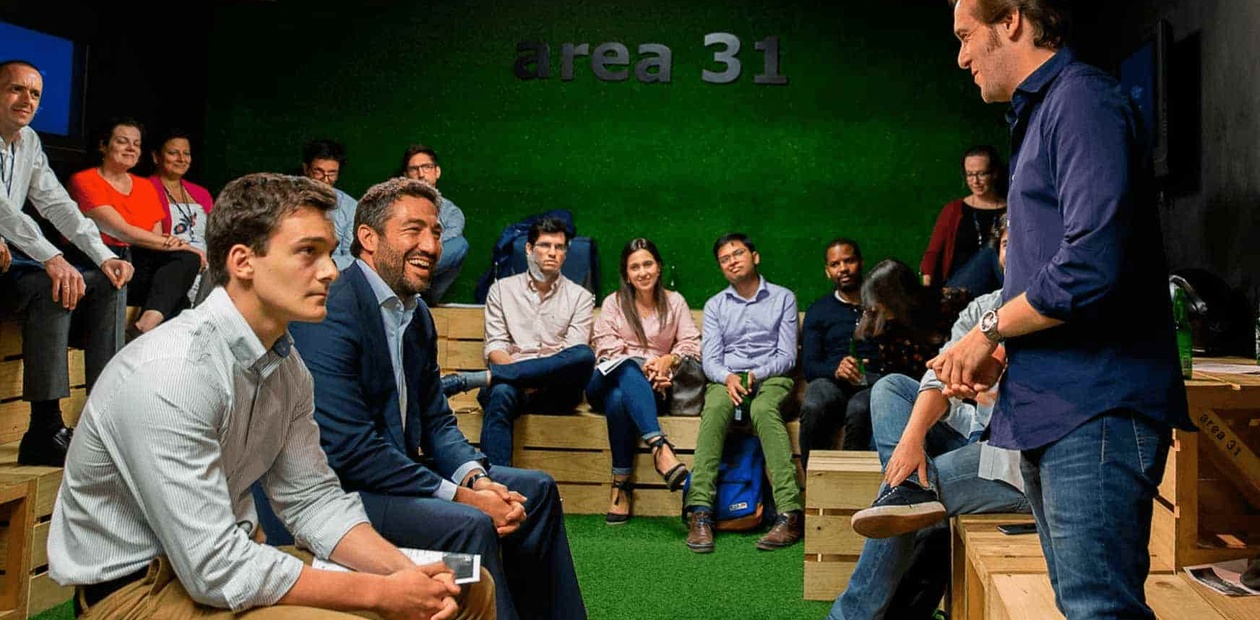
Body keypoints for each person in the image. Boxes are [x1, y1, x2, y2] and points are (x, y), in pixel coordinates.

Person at [47, 172, 494, 620]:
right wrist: (380, 594)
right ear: (243, 262)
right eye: (308, 253)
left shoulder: (286, 367)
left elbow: (313, 501)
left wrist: (406, 576)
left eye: (329, 252)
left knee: (468, 585)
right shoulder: (172, 371)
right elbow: (215, 568)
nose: (331, 270)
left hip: (225, 566)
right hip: (139, 594)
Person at [931, 2, 1194, 618]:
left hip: (1096, 406)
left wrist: (989, 329)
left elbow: (1091, 264)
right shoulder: (1040, 113)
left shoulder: (1081, 100)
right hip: (1052, 407)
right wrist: (1004, 348)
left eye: (967, 36)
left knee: (1099, 608)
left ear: (1013, 20)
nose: (962, 55)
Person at [289, 177, 585, 620]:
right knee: (471, 521)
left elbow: (438, 421)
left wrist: (475, 480)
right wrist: (463, 499)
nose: (430, 245)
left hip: (399, 472)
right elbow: (350, 451)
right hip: (346, 490)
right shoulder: (333, 307)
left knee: (536, 490)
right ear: (368, 239)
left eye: (435, 233)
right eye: (413, 231)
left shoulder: (418, 316)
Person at [829, 216, 1028, 620]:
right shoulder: (983, 308)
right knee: (889, 389)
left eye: (1024, 241)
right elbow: (937, 375)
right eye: (1007, 243)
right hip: (971, 432)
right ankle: (911, 497)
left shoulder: (1051, 309)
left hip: (1011, 460)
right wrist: (911, 439)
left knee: (920, 483)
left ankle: (850, 616)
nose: (1014, 251)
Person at [0, 59, 134, 467]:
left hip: (10, 261)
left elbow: (59, 205)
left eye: (35, 93)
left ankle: (106, 418)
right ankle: (44, 428)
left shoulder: (29, 143)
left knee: (109, 282)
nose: (27, 99)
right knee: (51, 283)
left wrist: (105, 256)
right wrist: (52, 258)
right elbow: (6, 211)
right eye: (15, 89)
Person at [683, 233, 802, 553]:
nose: (733, 260)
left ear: (755, 256)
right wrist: (729, 378)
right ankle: (700, 512)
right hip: (728, 381)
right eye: (725, 259)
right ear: (722, 268)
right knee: (716, 406)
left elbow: (787, 356)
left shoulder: (783, 298)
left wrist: (754, 375)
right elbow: (710, 361)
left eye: (738, 253)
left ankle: (789, 513)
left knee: (763, 410)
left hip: (772, 378)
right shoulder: (715, 305)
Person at [461, 216, 595, 466]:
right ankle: (498, 485)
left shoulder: (581, 297)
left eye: (560, 247)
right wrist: (521, 378)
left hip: (557, 391)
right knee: (500, 393)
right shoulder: (502, 290)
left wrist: (519, 375)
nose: (553, 253)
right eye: (545, 245)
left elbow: (571, 356)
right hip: (512, 389)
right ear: (529, 249)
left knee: (583, 355)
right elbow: (495, 347)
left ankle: (490, 377)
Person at [587, 238, 700, 524]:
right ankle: (660, 448)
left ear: (659, 267)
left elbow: (691, 344)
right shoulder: (613, 303)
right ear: (626, 274)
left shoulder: (675, 302)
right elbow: (607, 351)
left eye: (648, 264)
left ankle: (620, 486)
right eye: (634, 267)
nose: (642, 272)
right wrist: (650, 367)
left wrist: (669, 362)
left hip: (650, 392)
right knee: (624, 370)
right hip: (603, 384)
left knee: (619, 401)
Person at [69, 117, 202, 335]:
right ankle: (151, 336)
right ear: (103, 146)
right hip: (102, 262)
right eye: (122, 141)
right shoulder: (84, 180)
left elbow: (155, 239)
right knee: (177, 298)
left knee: (186, 262)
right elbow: (122, 231)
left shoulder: (146, 186)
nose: (131, 148)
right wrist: (183, 245)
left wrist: (182, 249)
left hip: (139, 262)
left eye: (136, 143)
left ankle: (145, 325)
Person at [848, 259, 969, 450]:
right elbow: (895, 381)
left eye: (879, 302)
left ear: (897, 297)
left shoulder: (952, 305)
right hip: (915, 398)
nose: (874, 308)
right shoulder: (886, 327)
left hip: (961, 396)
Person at [798, 238, 879, 467]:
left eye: (849, 261)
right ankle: (814, 483)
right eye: (835, 264)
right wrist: (836, 369)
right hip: (832, 383)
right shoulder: (818, 310)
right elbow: (810, 366)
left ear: (860, 263)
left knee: (860, 407)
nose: (843, 268)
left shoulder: (881, 305)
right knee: (813, 403)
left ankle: (849, 483)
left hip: (873, 382)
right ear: (828, 272)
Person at [919, 145, 1007, 295]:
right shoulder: (953, 210)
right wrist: (928, 294)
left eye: (981, 174)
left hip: (995, 287)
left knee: (1004, 248)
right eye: (970, 175)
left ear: (995, 174)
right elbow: (932, 253)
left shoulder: (1011, 209)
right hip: (959, 288)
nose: (975, 181)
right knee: (994, 248)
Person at [148, 129, 214, 302]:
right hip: (171, 260)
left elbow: (214, 232)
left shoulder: (201, 193)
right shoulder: (146, 187)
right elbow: (153, 238)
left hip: (207, 262)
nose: (182, 159)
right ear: (156, 157)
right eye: (173, 153)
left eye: (186, 154)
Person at [400, 144, 466, 305]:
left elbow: (450, 240)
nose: (421, 174)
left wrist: (419, 243)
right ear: (406, 175)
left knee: (460, 244)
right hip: (398, 266)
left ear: (437, 172)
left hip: (428, 279)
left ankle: (418, 291)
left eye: (426, 167)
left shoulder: (452, 212)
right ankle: (400, 287)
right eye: (414, 169)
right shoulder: (395, 205)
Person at [301, 139, 358, 271]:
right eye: (318, 172)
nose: (325, 180)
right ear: (306, 169)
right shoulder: (288, 202)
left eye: (332, 173)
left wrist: (324, 265)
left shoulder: (350, 208)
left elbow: (352, 256)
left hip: (332, 277)